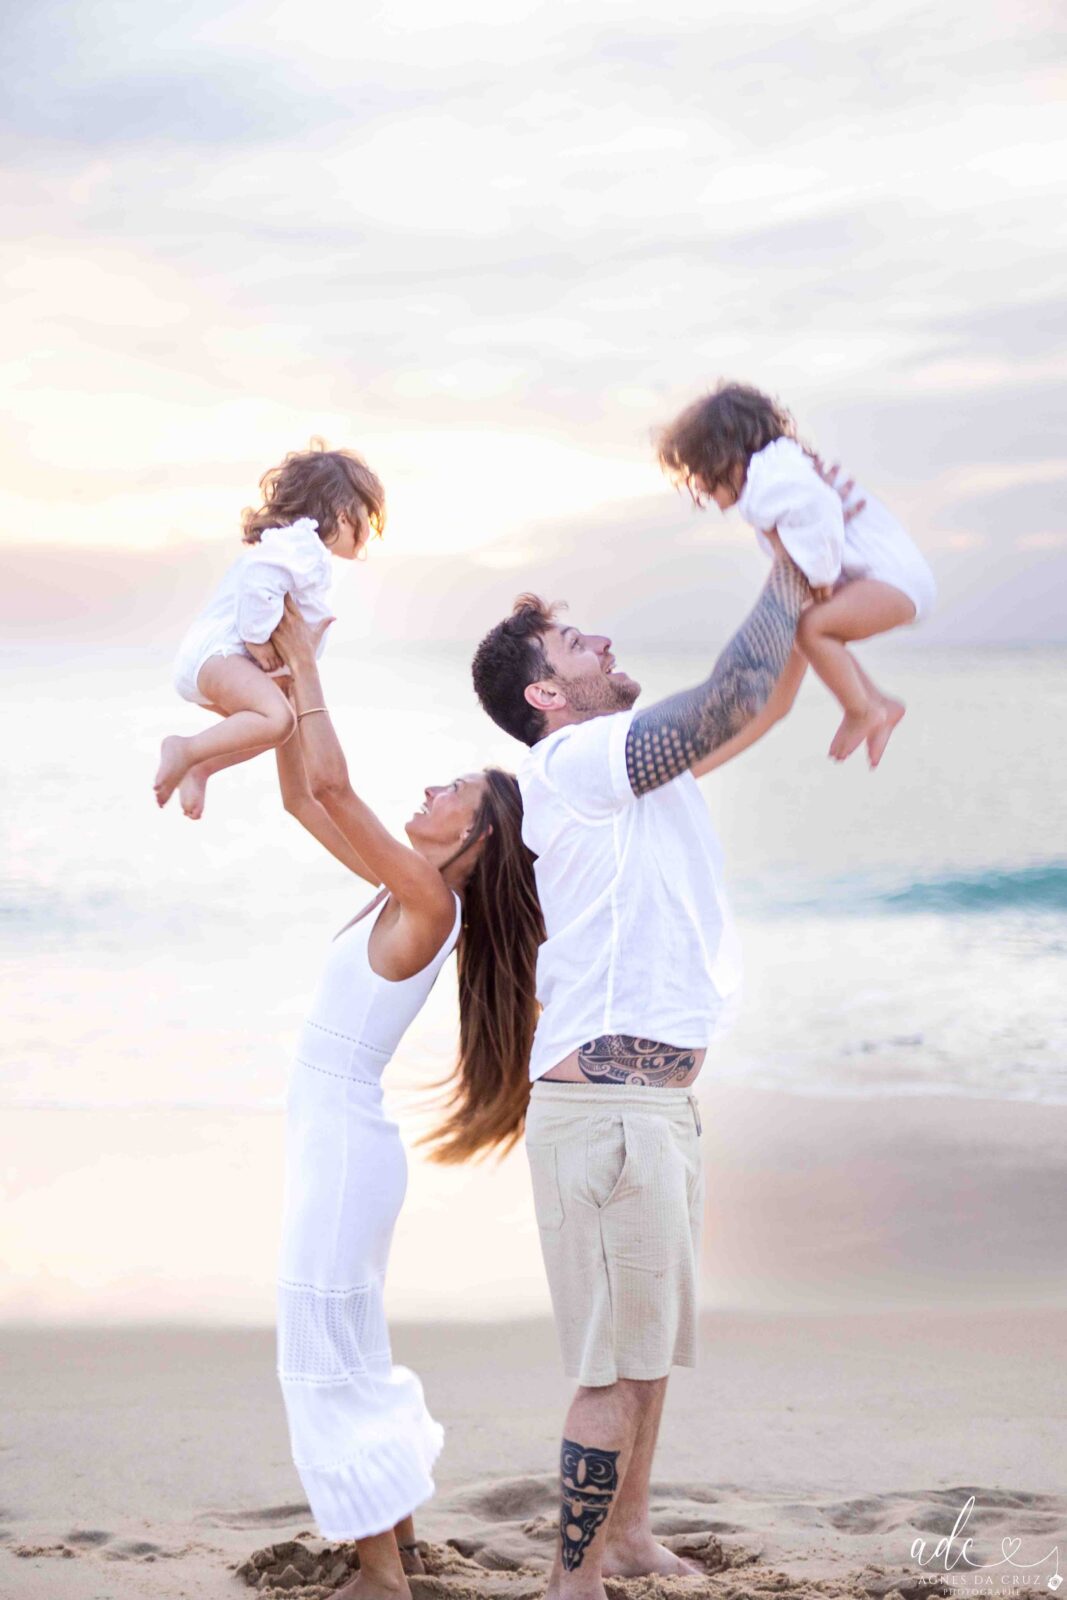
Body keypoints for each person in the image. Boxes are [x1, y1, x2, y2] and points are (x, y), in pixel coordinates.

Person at [470, 530, 823, 1600]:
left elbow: (755, 707)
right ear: (544, 693)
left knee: (646, 1346)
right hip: (608, 1118)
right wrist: (788, 568)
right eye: (576, 642)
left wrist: (807, 612)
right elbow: (729, 694)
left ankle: (624, 1536)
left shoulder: (624, 773)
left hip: (650, 1111)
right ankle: (571, 1581)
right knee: (609, 1367)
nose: (603, 642)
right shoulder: (576, 762)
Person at [267, 596, 543, 1600]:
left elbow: (335, 783)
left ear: (475, 837)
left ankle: (380, 1575)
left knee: (324, 1354)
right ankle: (405, 1549)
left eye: (454, 789)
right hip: (336, 1146)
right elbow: (305, 799)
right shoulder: (401, 885)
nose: (431, 789)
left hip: (345, 1150)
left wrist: (306, 661)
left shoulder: (430, 900)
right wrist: (282, 692)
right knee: (346, 1346)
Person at [657, 381, 937, 765]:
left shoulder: (772, 479)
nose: (698, 484)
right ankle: (878, 703)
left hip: (894, 580)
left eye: (699, 470)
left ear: (727, 456)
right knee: (808, 634)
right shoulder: (779, 472)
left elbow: (817, 508)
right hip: (893, 579)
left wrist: (821, 577)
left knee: (811, 629)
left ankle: (862, 709)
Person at [154, 442, 386, 818]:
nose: (370, 531)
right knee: (277, 719)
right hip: (220, 655)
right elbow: (258, 578)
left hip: (217, 661)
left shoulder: (300, 549)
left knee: (279, 726)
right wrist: (256, 638)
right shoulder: (302, 544)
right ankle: (186, 749)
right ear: (344, 516)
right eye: (368, 517)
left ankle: (201, 766)